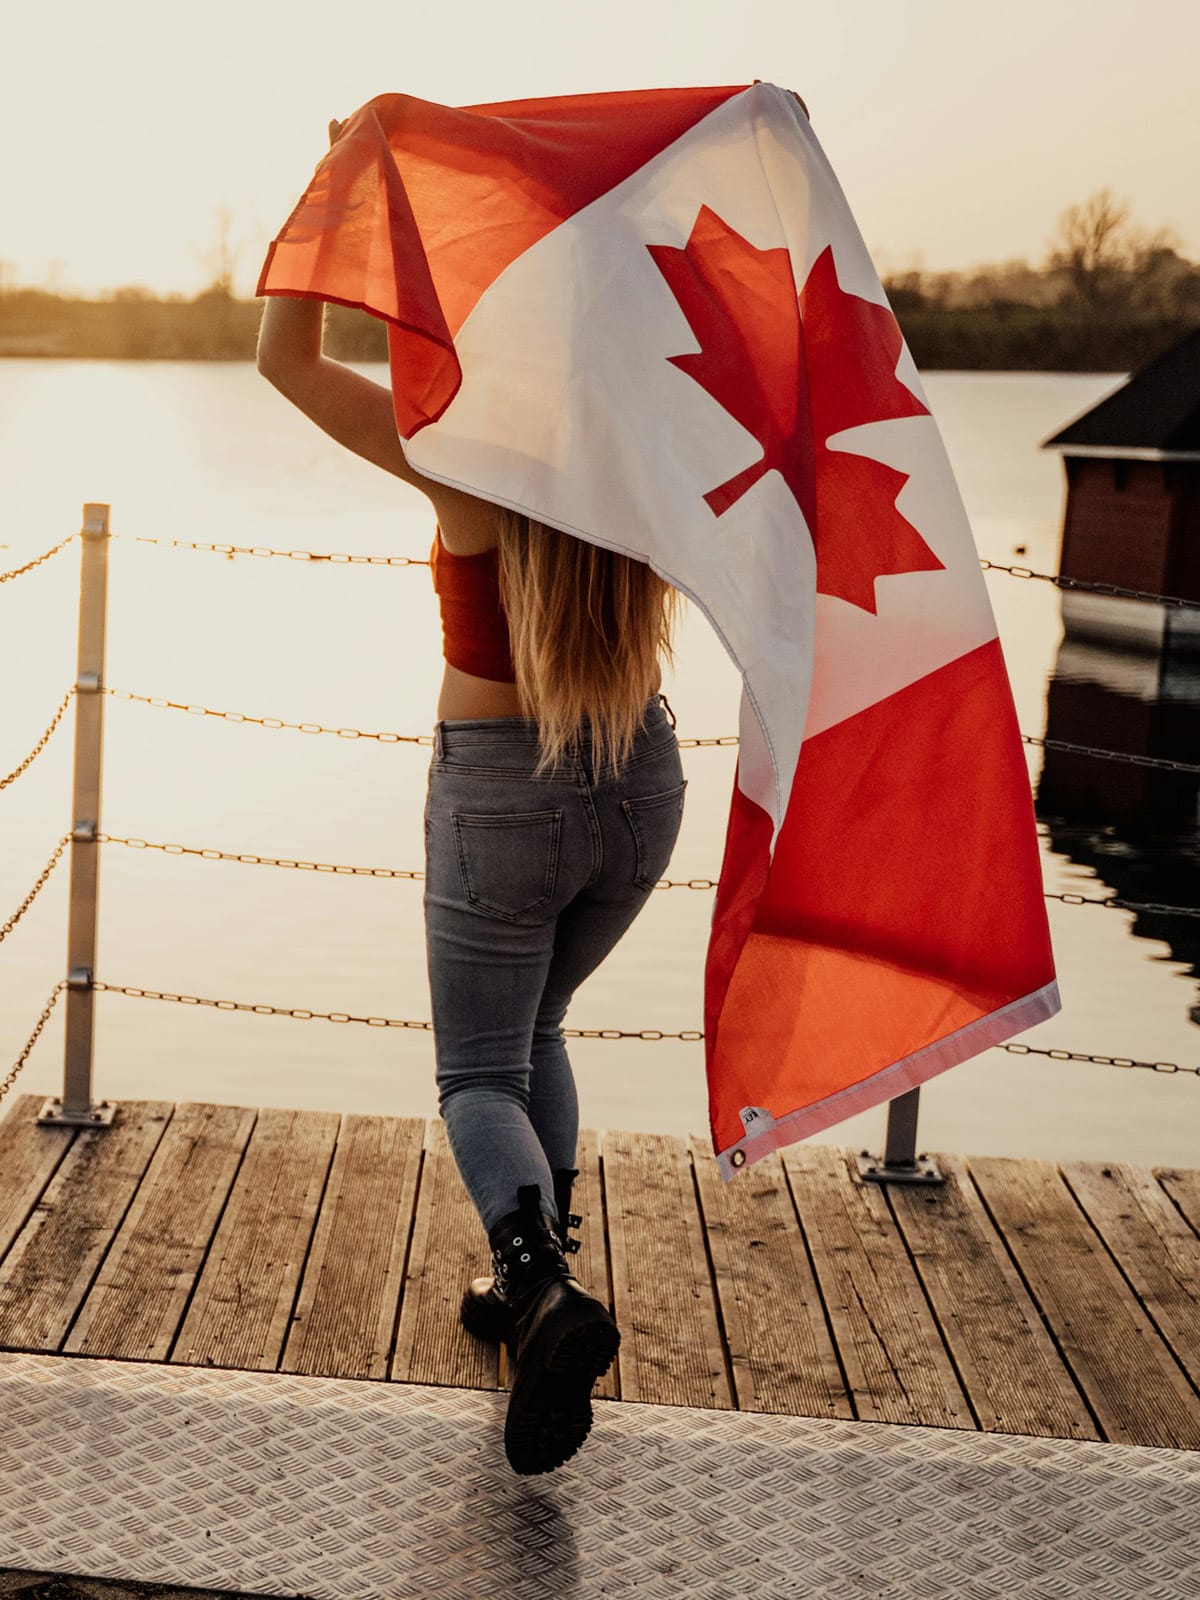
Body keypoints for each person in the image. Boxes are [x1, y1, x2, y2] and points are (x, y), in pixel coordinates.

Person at [257, 120, 686, 1477]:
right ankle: (526, 1290)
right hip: (642, 792)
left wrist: (339, 197)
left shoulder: (461, 450)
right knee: (539, 1029)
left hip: (502, 801)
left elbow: (282, 359)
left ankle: (544, 1290)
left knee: (476, 1072)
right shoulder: (645, 447)